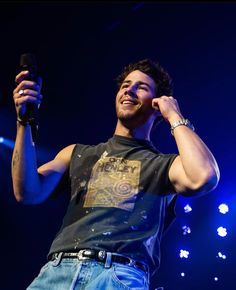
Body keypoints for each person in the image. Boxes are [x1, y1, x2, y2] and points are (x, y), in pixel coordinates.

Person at [11, 58, 220, 290]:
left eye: (141, 87)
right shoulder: (77, 153)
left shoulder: (165, 166)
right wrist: (24, 122)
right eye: (125, 85)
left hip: (119, 276)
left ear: (157, 104)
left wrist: (174, 116)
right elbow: (27, 192)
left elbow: (204, 176)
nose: (129, 90)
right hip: (57, 272)